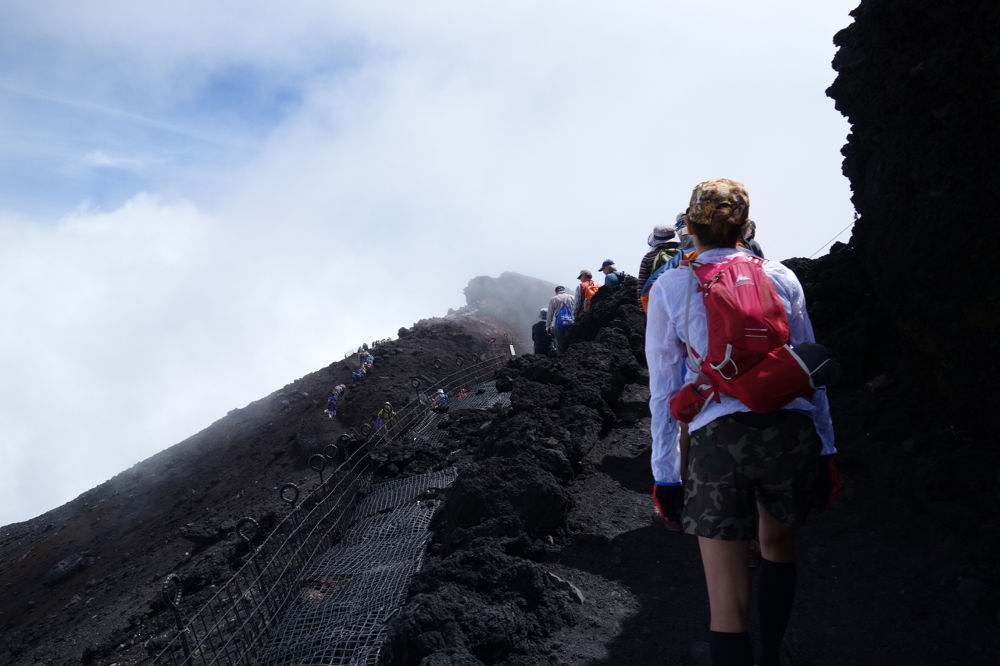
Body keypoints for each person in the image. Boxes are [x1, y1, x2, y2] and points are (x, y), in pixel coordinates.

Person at [645, 178, 835, 666]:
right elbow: (809, 368)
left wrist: (665, 474)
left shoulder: (671, 284)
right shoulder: (781, 277)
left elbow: (664, 388)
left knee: (725, 605)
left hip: (717, 438)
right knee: (777, 545)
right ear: (746, 227)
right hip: (789, 429)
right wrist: (828, 450)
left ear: (689, 226)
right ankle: (771, 654)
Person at [637, 223, 681, 301]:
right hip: (679, 302)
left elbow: (641, 287)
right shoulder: (683, 255)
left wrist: (644, 310)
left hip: (656, 303)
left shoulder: (648, 257)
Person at [546, 286, 575, 355]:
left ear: (556, 291)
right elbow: (576, 309)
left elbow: (550, 313)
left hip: (558, 322)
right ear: (564, 290)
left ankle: (561, 358)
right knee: (569, 341)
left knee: (559, 342)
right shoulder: (572, 297)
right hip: (570, 321)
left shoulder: (554, 299)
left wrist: (548, 327)